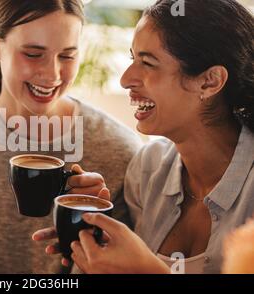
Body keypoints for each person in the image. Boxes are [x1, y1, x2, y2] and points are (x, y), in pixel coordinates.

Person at [0, 0, 142, 274]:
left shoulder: (120, 150)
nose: (52, 74)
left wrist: (91, 234)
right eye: (33, 54)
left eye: (67, 56)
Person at [33, 0, 254, 274]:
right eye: (132, 59)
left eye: (148, 63)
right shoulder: (147, 170)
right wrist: (94, 235)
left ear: (209, 81)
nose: (125, 79)